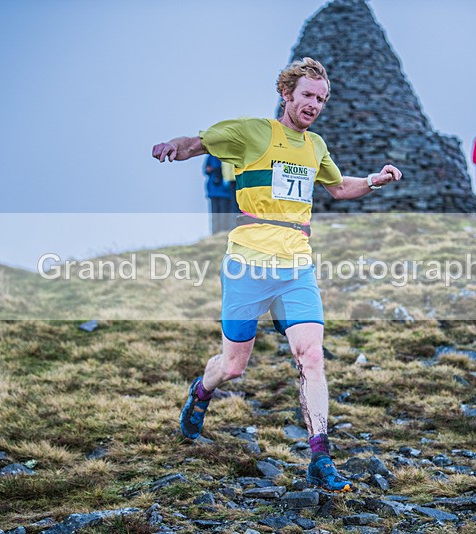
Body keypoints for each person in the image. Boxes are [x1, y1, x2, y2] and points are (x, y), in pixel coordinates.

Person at [152, 57, 402, 493]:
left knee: (311, 357)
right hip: (247, 264)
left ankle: (320, 457)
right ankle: (201, 391)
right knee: (233, 366)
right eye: (307, 95)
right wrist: (175, 146)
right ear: (286, 94)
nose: (314, 105)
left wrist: (376, 180)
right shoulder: (254, 132)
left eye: (321, 99)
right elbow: (199, 143)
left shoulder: (316, 146)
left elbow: (340, 188)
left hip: (296, 267)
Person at [204, 155, 233, 234]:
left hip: (225, 191)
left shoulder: (226, 154)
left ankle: (223, 233)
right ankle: (215, 233)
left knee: (224, 215)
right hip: (215, 192)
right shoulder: (211, 156)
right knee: (215, 215)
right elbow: (205, 170)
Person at [222, 160, 239, 231]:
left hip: (235, 177)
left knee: (236, 204)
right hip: (232, 178)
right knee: (234, 204)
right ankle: (234, 225)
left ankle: (235, 225)